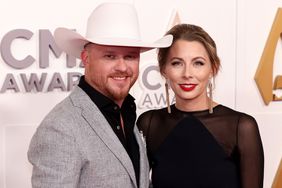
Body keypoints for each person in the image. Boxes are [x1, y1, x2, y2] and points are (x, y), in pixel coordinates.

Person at [27, 2, 172, 188]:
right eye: (110, 56)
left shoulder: (126, 112)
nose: (122, 67)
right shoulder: (59, 129)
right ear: (86, 58)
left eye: (130, 56)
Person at [137, 24, 264, 188]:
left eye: (198, 63)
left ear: (213, 69)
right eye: (177, 63)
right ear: (163, 70)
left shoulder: (241, 127)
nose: (187, 74)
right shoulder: (149, 124)